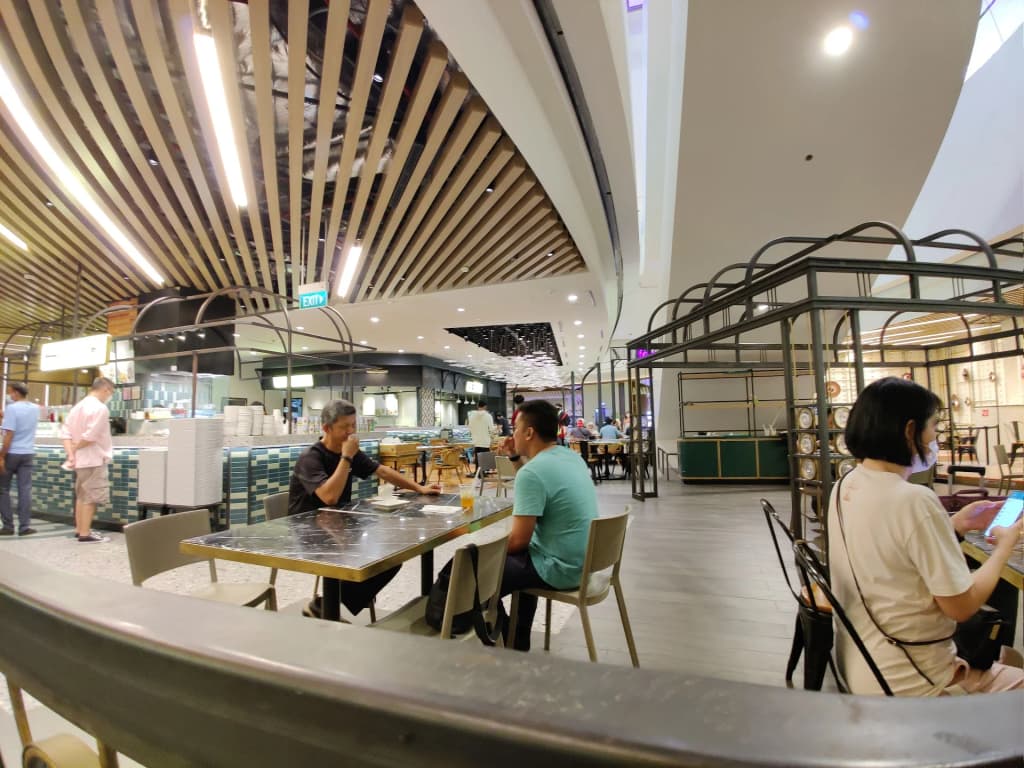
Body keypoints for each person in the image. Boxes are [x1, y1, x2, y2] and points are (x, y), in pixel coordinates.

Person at [828, 377, 1024, 696]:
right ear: (909, 431)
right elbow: (962, 606)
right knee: (1007, 660)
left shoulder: (846, 487)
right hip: (915, 680)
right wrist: (1005, 546)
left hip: (864, 663)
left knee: (1009, 658)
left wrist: (955, 524)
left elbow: (889, 547)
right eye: (934, 427)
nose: (935, 439)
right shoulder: (914, 500)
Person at [289, 399, 441, 618]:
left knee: (389, 559)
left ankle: (328, 604)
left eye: (353, 425)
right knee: (371, 559)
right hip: (306, 531)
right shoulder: (311, 458)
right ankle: (328, 605)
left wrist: (420, 487)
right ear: (326, 428)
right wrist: (347, 457)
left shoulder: (348, 452)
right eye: (345, 427)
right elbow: (329, 497)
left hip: (337, 525)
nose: (351, 432)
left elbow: (383, 472)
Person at [496, 400, 597, 651]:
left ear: (529, 432)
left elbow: (519, 540)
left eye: (515, 428)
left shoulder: (534, 473)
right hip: (585, 564)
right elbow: (533, 478)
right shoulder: (570, 457)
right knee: (516, 561)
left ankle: (500, 633)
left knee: (474, 570)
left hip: (559, 569)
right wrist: (514, 457)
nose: (513, 434)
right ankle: (516, 638)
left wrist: (484, 553)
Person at [60, 377, 115, 543]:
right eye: (110, 393)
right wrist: (76, 448)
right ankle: (85, 534)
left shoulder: (78, 407)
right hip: (94, 459)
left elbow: (65, 433)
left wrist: (71, 454)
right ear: (105, 389)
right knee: (90, 498)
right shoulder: (100, 408)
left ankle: (80, 530)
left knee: (82, 496)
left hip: (79, 461)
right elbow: (90, 437)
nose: (109, 396)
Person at [0, 383, 38, 536]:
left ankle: (8, 526)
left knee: (2, 489)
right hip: (28, 453)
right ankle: (24, 527)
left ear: (16, 393)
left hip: (12, 454)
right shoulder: (35, 409)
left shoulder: (12, 408)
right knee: (25, 490)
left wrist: (1, 456)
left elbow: (9, 435)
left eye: (10, 393)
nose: (10, 396)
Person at [467, 400, 494, 474]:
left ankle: (478, 472)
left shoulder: (471, 416)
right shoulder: (488, 416)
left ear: (477, 406)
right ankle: (483, 473)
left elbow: (470, 427)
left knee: (478, 459)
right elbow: (492, 429)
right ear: (485, 406)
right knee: (485, 460)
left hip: (476, 441)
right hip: (485, 441)